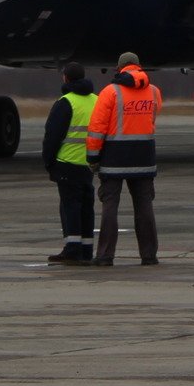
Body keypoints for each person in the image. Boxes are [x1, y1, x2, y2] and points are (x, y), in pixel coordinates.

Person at [86, 51, 162, 266]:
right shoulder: (154, 92)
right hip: (144, 156)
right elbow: (152, 118)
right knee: (144, 206)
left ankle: (105, 255)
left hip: (114, 157)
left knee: (110, 206)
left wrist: (93, 158)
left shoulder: (110, 92)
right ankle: (149, 255)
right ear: (139, 67)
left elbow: (97, 129)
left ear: (120, 68)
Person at [38, 63, 97, 264]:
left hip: (67, 162)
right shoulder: (96, 101)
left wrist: (48, 162)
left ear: (66, 78)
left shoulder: (66, 102)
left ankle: (72, 249)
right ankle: (87, 250)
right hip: (89, 163)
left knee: (70, 207)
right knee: (87, 208)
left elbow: (53, 135)